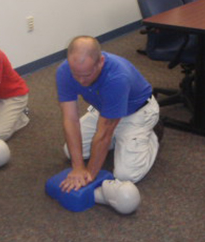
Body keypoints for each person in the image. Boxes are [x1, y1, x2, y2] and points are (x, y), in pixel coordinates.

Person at [56, 36, 160, 193]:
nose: (81, 81)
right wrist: (78, 167)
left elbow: (104, 133)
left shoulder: (117, 77)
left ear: (101, 62)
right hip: (104, 109)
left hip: (137, 113)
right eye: (76, 74)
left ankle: (151, 135)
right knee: (71, 152)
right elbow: (70, 119)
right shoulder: (64, 71)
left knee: (126, 175)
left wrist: (89, 175)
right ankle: (120, 140)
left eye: (86, 75)